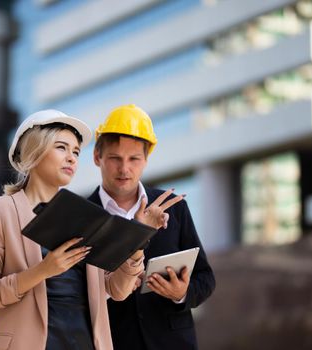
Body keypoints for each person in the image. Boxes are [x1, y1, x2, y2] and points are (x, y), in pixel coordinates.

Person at [0, 109, 177, 350]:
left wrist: (137, 240)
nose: (71, 158)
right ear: (34, 151)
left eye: (76, 152)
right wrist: (43, 271)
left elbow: (116, 290)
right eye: (61, 148)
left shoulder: (86, 216)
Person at [88, 104, 216, 350]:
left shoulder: (173, 207)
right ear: (97, 157)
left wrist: (181, 293)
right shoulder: (83, 216)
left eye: (134, 159)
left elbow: (206, 278)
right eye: (115, 158)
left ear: (146, 160)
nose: (124, 168)